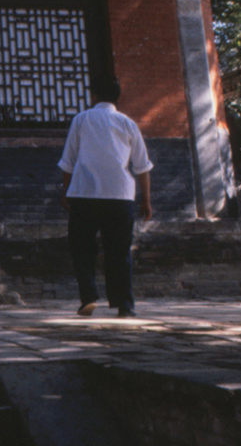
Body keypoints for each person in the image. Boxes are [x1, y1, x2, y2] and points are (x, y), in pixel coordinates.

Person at [58, 76, 152, 318]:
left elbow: (68, 161)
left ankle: (88, 296)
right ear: (117, 97)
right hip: (120, 195)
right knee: (119, 251)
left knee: (82, 249)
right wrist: (146, 200)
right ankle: (124, 304)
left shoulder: (82, 119)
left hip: (84, 194)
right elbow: (142, 166)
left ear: (95, 96)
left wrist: (66, 191)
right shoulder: (128, 123)